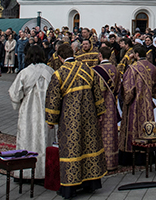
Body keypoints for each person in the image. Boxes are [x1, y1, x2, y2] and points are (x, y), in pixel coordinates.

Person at [44, 43, 106, 198]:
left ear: (59, 57)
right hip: (89, 116)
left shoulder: (59, 74)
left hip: (69, 119)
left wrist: (50, 120)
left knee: (71, 149)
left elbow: (53, 99)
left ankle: (70, 188)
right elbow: (97, 93)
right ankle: (90, 184)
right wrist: (100, 112)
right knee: (88, 147)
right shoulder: (87, 69)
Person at [9, 45, 54, 178]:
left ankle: (25, 172)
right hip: (47, 111)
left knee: (27, 138)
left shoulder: (24, 72)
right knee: (45, 139)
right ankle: (44, 172)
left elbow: (15, 93)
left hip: (29, 111)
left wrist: (17, 104)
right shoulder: (50, 71)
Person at [119, 45, 156, 166]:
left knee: (133, 128)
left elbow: (128, 90)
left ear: (136, 54)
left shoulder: (132, 69)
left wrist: (125, 100)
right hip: (147, 105)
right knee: (147, 129)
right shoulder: (153, 68)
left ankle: (130, 156)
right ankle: (147, 157)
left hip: (134, 105)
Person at [94, 45, 121, 172]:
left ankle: (100, 162)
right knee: (111, 132)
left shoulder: (95, 70)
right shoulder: (115, 69)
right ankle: (112, 161)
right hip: (111, 105)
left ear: (100, 56)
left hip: (99, 106)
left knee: (99, 133)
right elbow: (117, 88)